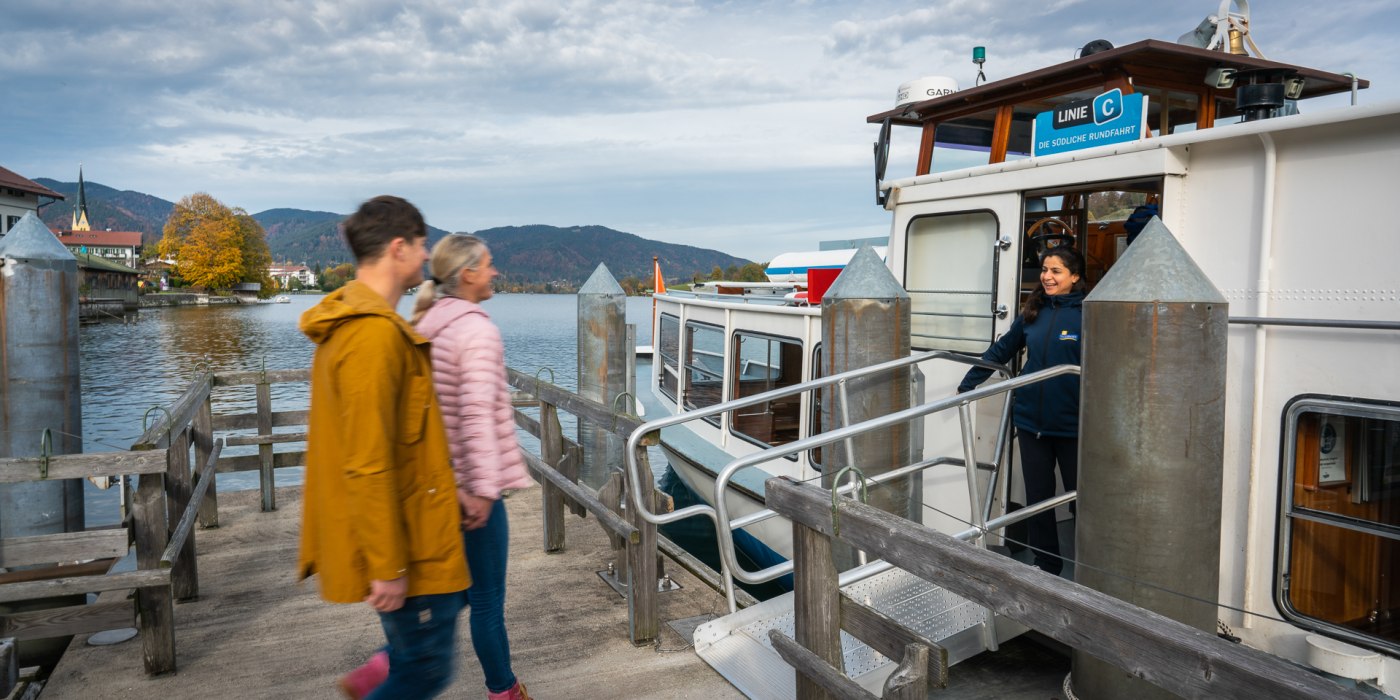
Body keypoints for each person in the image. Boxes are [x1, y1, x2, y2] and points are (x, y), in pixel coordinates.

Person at [298, 195, 471, 699]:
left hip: (420, 532)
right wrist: (388, 567)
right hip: (408, 550)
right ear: (398, 247)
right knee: (424, 673)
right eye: (420, 246)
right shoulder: (373, 339)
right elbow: (367, 463)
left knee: (418, 655)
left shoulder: (366, 328)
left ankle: (379, 673)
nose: (425, 258)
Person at [411, 234, 533, 700]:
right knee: (485, 602)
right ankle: (504, 691)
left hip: (439, 482)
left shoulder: (428, 321)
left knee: (453, 592)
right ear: (467, 274)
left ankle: (390, 664)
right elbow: (478, 413)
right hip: (472, 488)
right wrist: (483, 488)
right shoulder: (475, 330)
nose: (495, 272)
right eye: (489, 265)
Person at [957, 245, 1086, 575]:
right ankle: (1047, 566)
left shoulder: (1088, 315)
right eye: (1045, 270)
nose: (1047, 276)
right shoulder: (1033, 312)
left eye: (1056, 271)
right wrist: (967, 385)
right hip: (1031, 423)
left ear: (1075, 276)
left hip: (1073, 426)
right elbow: (1002, 350)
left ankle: (1090, 571)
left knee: (1080, 501)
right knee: (1039, 499)